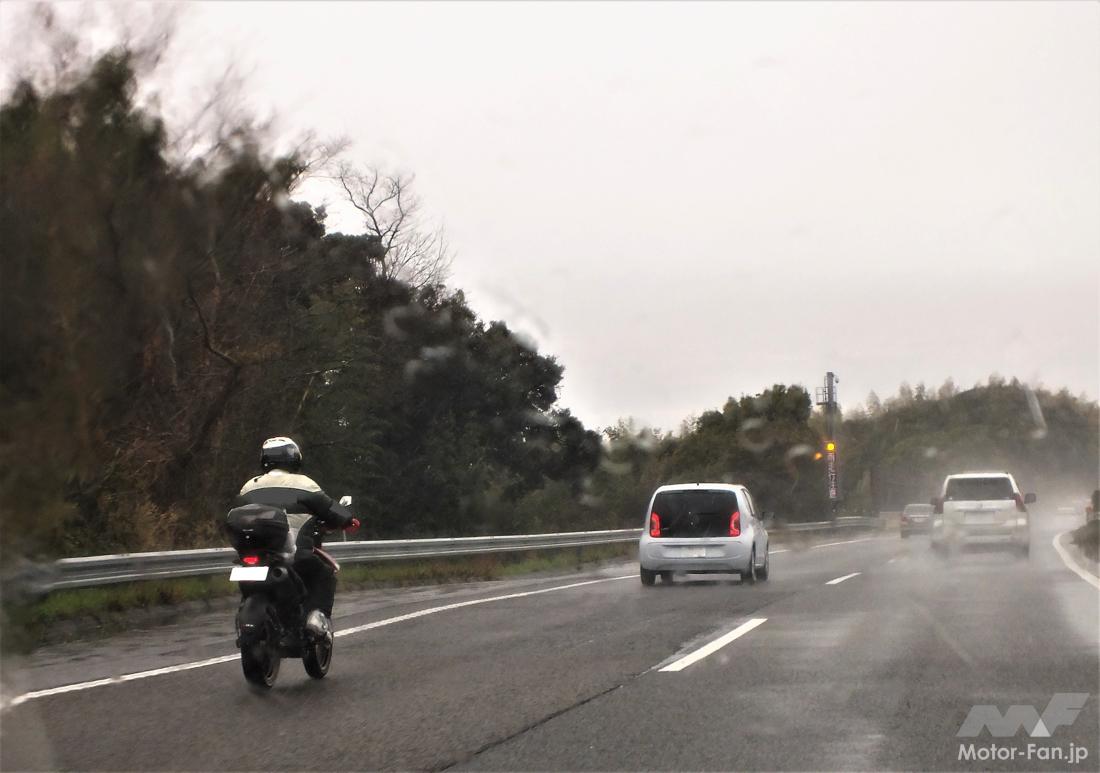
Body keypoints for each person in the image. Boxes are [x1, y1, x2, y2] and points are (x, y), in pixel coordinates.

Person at [236, 437, 359, 637]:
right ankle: (316, 619)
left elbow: (236, 511)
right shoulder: (304, 484)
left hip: (254, 555)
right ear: (293, 457)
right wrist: (349, 518)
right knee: (324, 574)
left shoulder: (249, 486)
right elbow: (330, 508)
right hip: (293, 554)